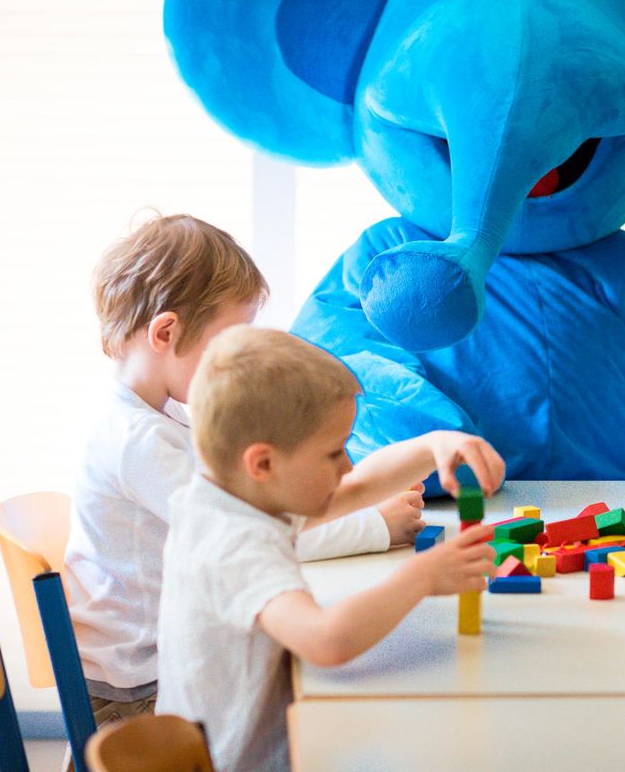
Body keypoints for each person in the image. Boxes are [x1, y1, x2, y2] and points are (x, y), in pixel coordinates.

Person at [64, 213, 421, 725]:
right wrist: (375, 527)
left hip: (147, 665)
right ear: (166, 332)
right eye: (230, 342)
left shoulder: (154, 417)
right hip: (140, 690)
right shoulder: (140, 442)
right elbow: (247, 528)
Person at [156, 326, 501, 772]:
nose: (347, 464)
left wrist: (435, 445)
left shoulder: (235, 495)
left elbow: (360, 487)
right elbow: (326, 641)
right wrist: (422, 577)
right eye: (333, 452)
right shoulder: (233, 544)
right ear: (263, 463)